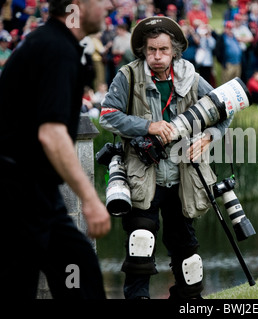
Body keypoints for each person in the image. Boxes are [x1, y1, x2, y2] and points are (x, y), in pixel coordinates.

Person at [99, 16, 233, 300]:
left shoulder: (193, 78)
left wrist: (209, 138)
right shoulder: (128, 75)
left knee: (188, 256)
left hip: (184, 178)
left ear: (174, 50)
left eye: (163, 50)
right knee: (140, 244)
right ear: (143, 51)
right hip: (141, 175)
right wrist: (148, 126)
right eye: (151, 50)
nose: (157, 56)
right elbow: (107, 116)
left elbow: (226, 111)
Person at [0, 0, 111, 299]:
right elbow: (52, 134)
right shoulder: (55, 49)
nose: (110, 5)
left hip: (39, 195)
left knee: (79, 271)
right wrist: (90, 199)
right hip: (15, 196)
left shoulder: (54, 44)